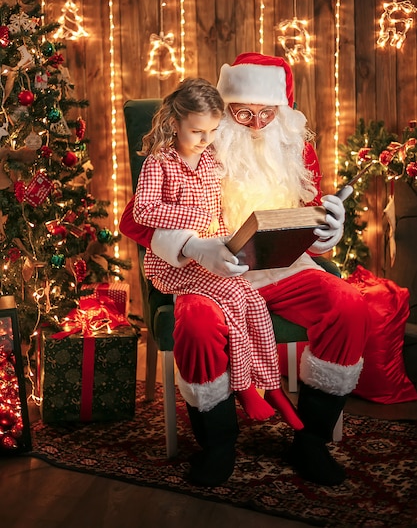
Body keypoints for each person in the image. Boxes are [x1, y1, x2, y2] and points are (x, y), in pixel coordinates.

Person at [121, 53, 369, 488]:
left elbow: (313, 209)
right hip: (212, 273)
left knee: (350, 307)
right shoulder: (199, 141)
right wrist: (194, 247)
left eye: (267, 113)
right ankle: (218, 444)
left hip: (287, 269)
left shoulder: (295, 147)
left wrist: (329, 229)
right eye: (243, 113)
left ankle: (310, 439)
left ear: (282, 112)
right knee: (197, 324)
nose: (256, 124)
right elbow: (134, 219)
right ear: (224, 112)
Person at [133, 77, 304, 426]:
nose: (205, 140)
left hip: (213, 258)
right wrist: (192, 217)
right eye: (197, 132)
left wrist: (234, 247)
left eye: (212, 131)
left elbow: (220, 215)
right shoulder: (159, 163)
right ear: (174, 123)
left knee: (253, 300)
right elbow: (143, 211)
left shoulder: (211, 162)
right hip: (177, 266)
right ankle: (244, 387)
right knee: (234, 300)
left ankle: (272, 386)